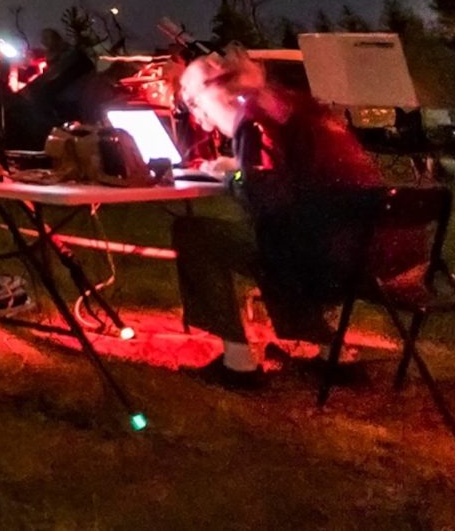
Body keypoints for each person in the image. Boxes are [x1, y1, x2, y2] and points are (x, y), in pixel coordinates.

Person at [171, 47, 417, 388]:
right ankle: (335, 356)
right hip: (379, 253)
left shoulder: (253, 121)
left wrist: (234, 179)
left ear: (212, 95)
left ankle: (238, 364)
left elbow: (268, 202)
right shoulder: (294, 105)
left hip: (326, 263)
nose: (197, 116)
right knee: (282, 238)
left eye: (194, 102)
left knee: (197, 233)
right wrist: (241, 170)